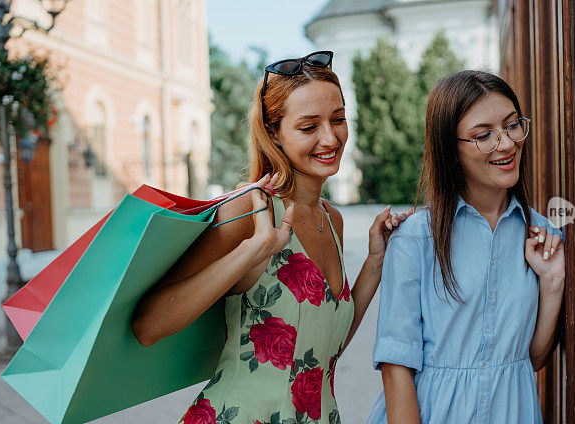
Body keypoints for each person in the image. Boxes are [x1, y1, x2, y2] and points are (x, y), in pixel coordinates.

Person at [132, 51, 410, 424]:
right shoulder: (250, 210)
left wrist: (374, 262)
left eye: (338, 119)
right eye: (309, 126)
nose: (330, 137)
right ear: (274, 134)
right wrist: (253, 250)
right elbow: (148, 327)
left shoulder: (333, 220)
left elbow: (326, 346)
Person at [367, 70, 565, 423]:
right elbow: (397, 363)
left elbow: (530, 360)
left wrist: (551, 284)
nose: (505, 143)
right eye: (483, 135)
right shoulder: (414, 237)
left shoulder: (542, 236)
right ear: (451, 150)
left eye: (512, 125)